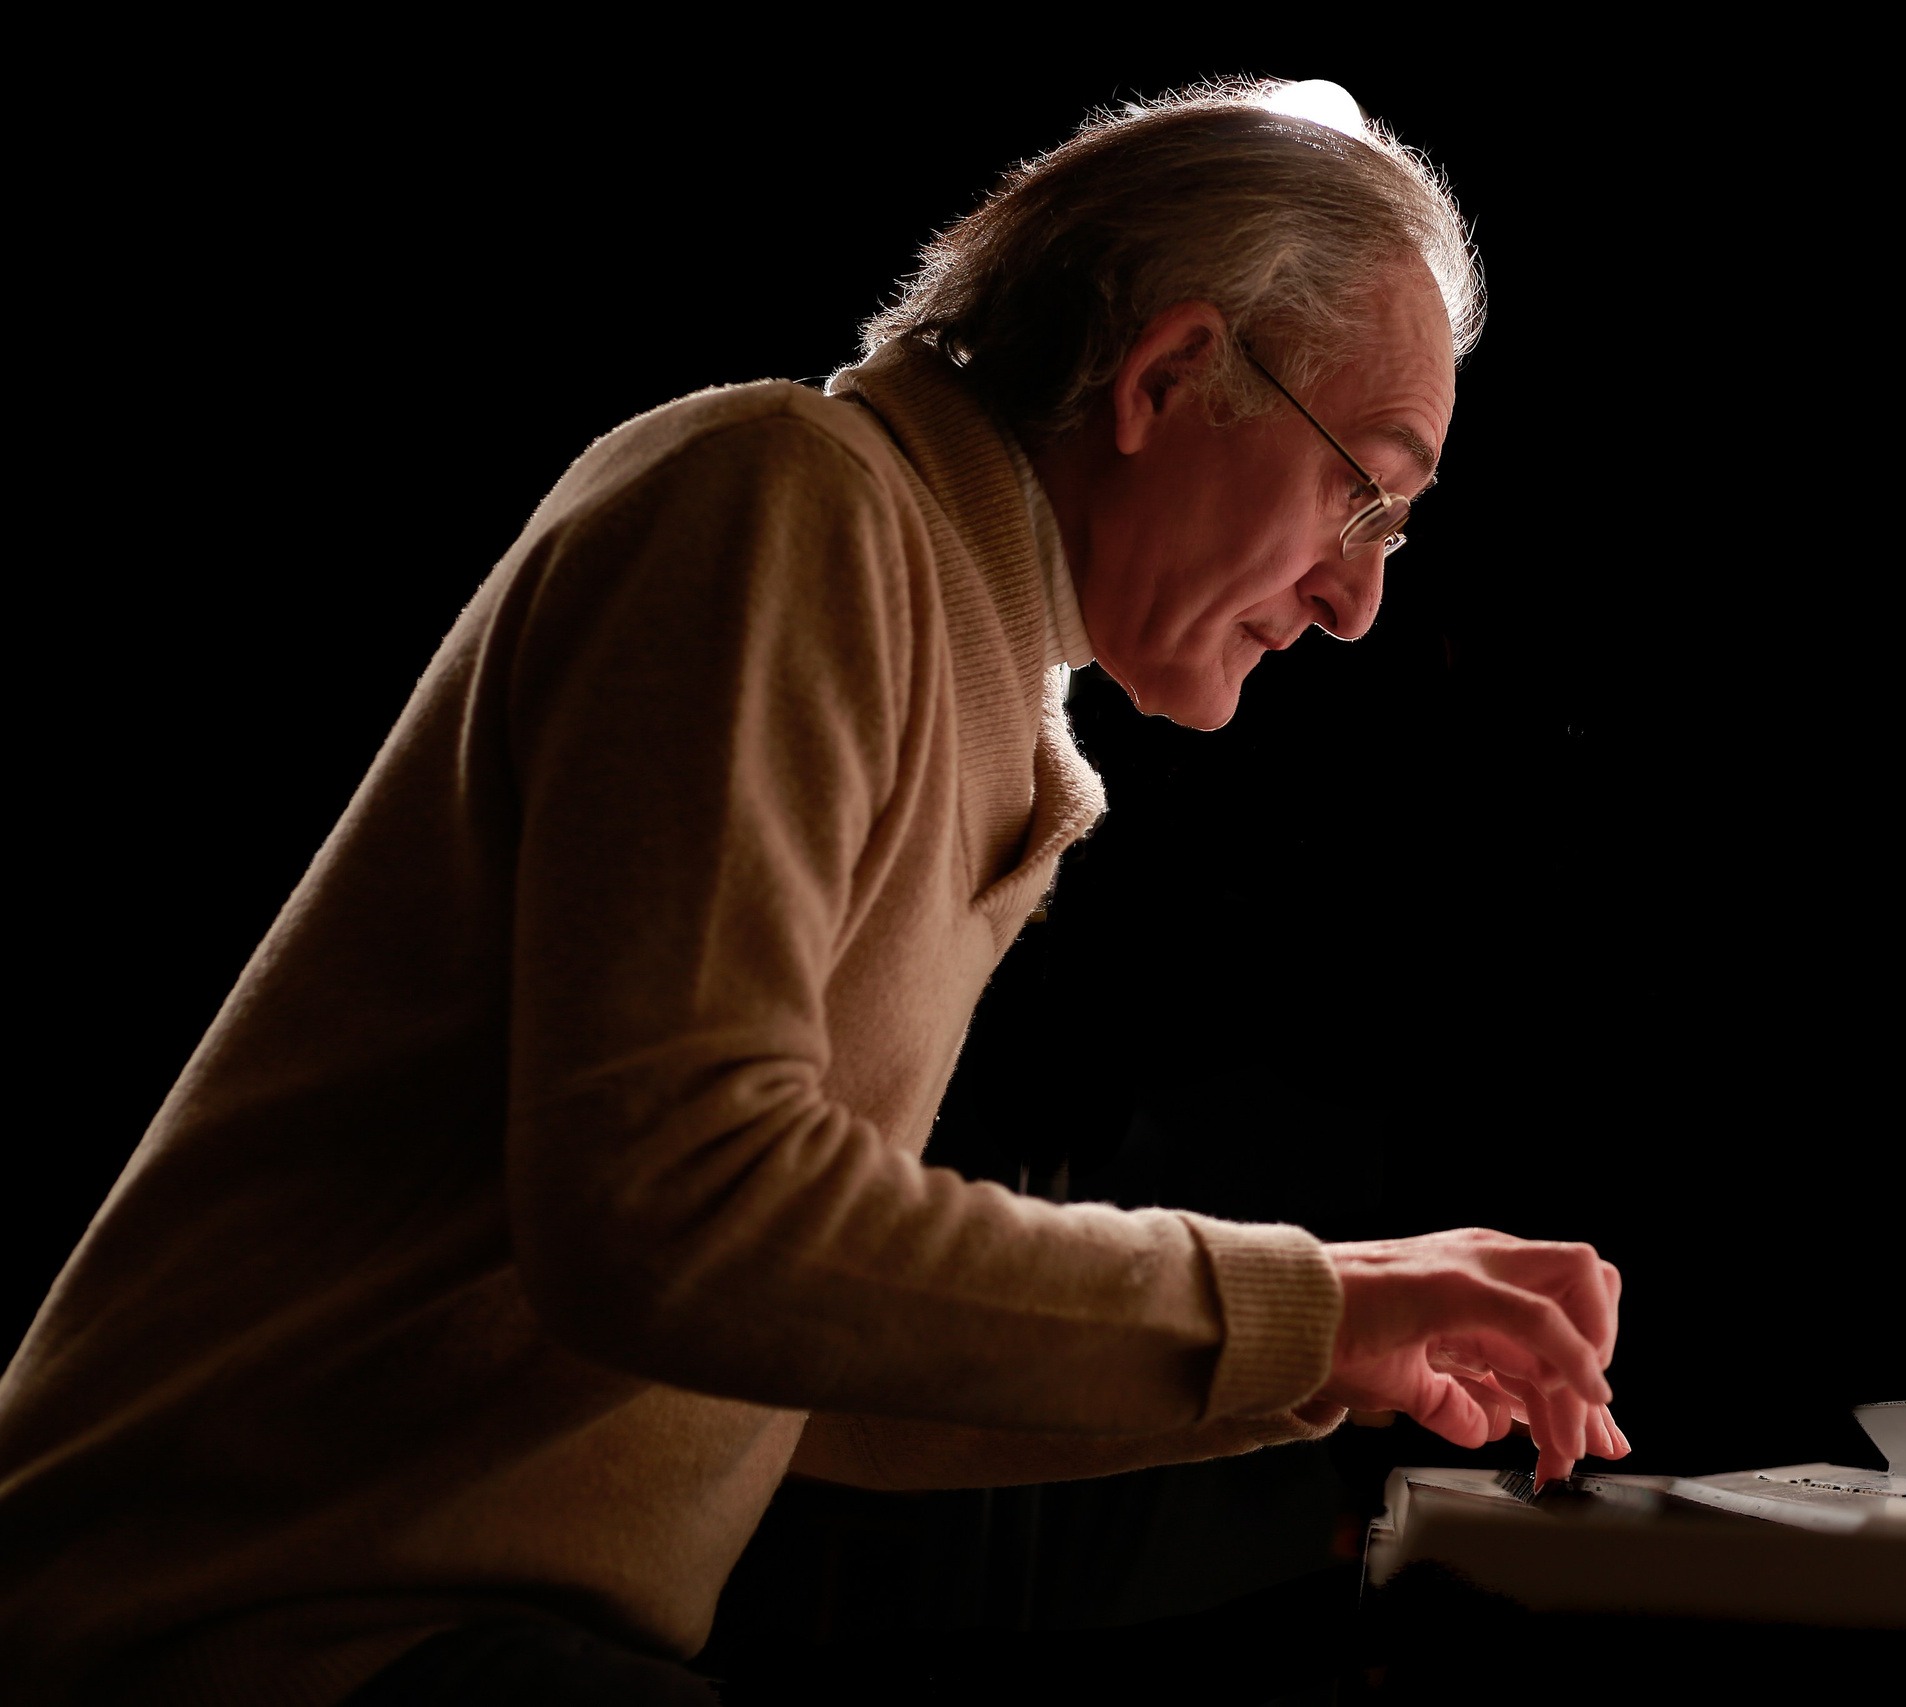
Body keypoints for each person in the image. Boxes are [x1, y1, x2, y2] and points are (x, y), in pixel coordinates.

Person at [0, 77, 1627, 1705]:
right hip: (242, 1635)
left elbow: (776, 1360)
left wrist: (1314, 1362)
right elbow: (676, 1218)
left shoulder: (954, 646)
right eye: (1370, 496)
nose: (1357, 598)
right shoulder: (789, 499)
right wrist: (1305, 1300)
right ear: (1170, 373)